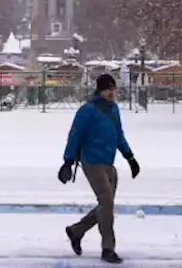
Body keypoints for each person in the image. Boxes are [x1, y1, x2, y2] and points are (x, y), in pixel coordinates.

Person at [58, 73, 139, 264]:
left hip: (108, 162)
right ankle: (108, 249)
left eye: (113, 89)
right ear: (99, 90)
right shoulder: (88, 110)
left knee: (105, 205)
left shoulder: (114, 109)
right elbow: (75, 135)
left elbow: (119, 134)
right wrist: (68, 162)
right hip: (91, 162)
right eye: (107, 89)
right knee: (107, 203)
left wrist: (130, 157)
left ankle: (76, 231)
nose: (111, 93)